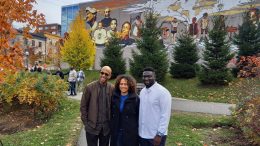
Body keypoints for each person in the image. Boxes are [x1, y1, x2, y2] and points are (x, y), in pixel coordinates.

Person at [80, 66, 114, 146]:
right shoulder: (90, 87)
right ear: (100, 73)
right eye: (102, 73)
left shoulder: (112, 88)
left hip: (106, 129)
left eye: (106, 74)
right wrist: (86, 123)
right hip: (92, 127)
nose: (103, 75)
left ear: (110, 76)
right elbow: (83, 106)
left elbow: (114, 106)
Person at [139, 67, 172, 146]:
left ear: (154, 77)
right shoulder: (143, 92)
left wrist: (159, 134)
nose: (146, 78)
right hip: (143, 134)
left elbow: (165, 115)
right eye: (144, 76)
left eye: (149, 76)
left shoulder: (163, 92)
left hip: (155, 136)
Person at [110, 75, 140, 146]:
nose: (123, 86)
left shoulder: (135, 99)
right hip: (116, 131)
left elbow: (138, 116)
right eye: (121, 84)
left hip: (130, 133)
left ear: (130, 85)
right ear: (118, 85)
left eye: (126, 84)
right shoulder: (114, 97)